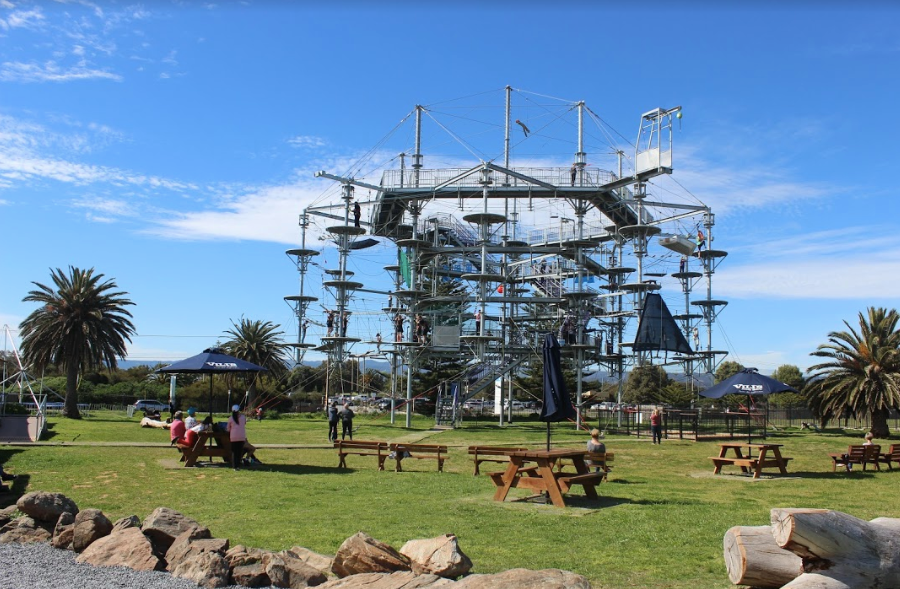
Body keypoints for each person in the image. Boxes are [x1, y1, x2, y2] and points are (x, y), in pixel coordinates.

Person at [227, 404, 247, 470]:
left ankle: (234, 466)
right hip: (241, 436)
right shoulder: (243, 417)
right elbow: (244, 423)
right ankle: (238, 465)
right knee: (239, 452)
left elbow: (228, 429)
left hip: (233, 437)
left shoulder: (230, 418)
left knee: (234, 452)